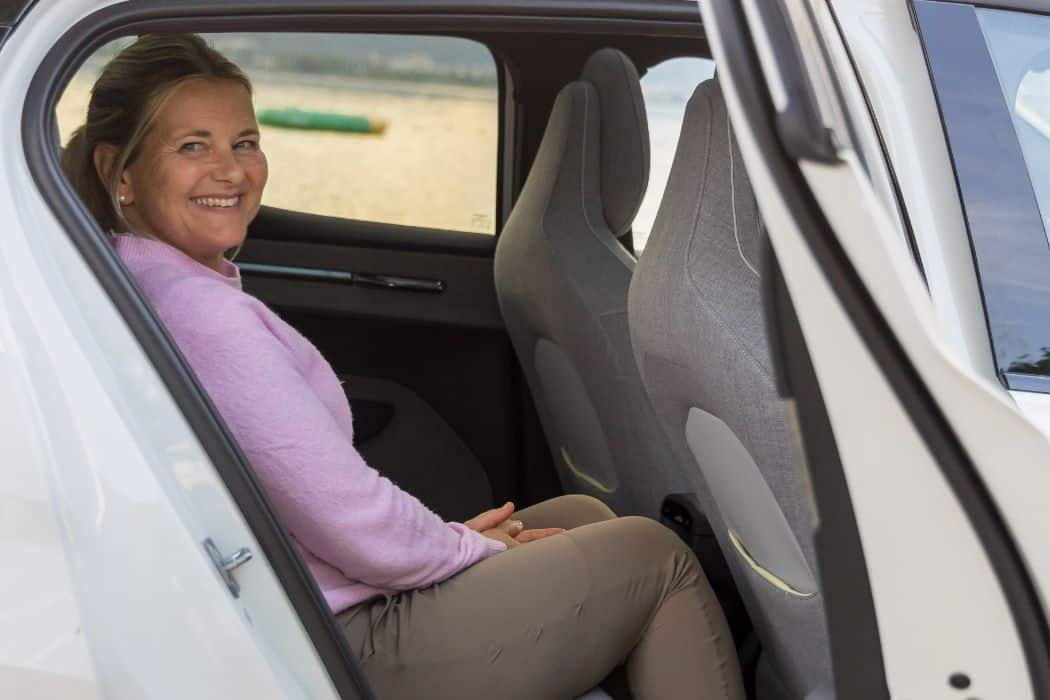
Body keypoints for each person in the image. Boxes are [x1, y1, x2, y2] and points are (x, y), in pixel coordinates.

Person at [62, 33, 744, 700]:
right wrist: (465, 550)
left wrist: (455, 544)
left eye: (244, 142)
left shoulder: (142, 281)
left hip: (300, 601)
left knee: (582, 518)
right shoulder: (206, 318)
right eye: (192, 147)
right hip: (334, 642)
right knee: (656, 559)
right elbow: (347, 518)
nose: (233, 171)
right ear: (119, 171)